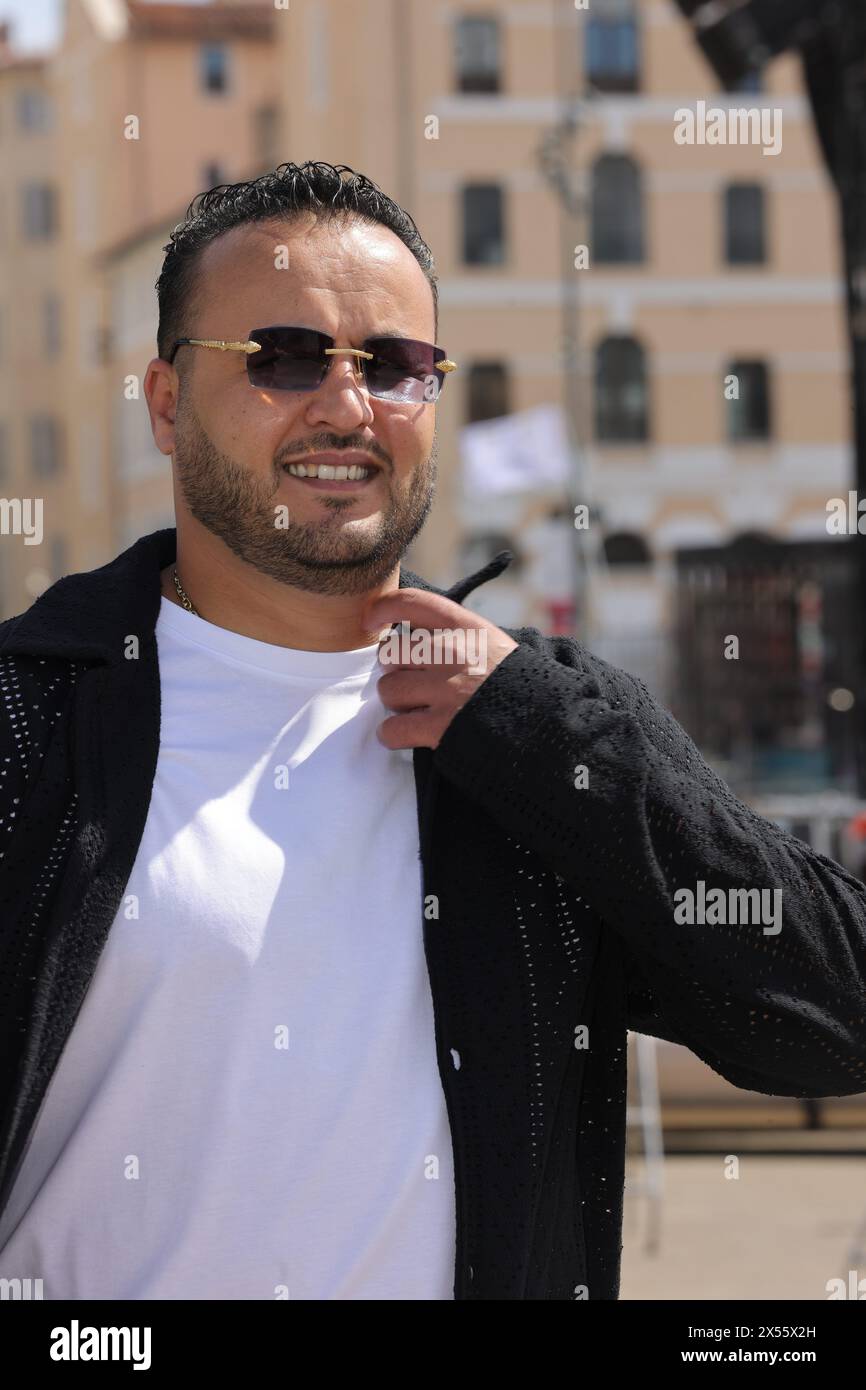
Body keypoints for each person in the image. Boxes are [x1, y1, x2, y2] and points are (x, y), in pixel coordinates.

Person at [0, 161, 864, 1302]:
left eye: (395, 365)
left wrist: (540, 732)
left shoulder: (532, 736)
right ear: (165, 402)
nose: (346, 407)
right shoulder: (33, 715)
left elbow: (827, 1019)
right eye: (283, 356)